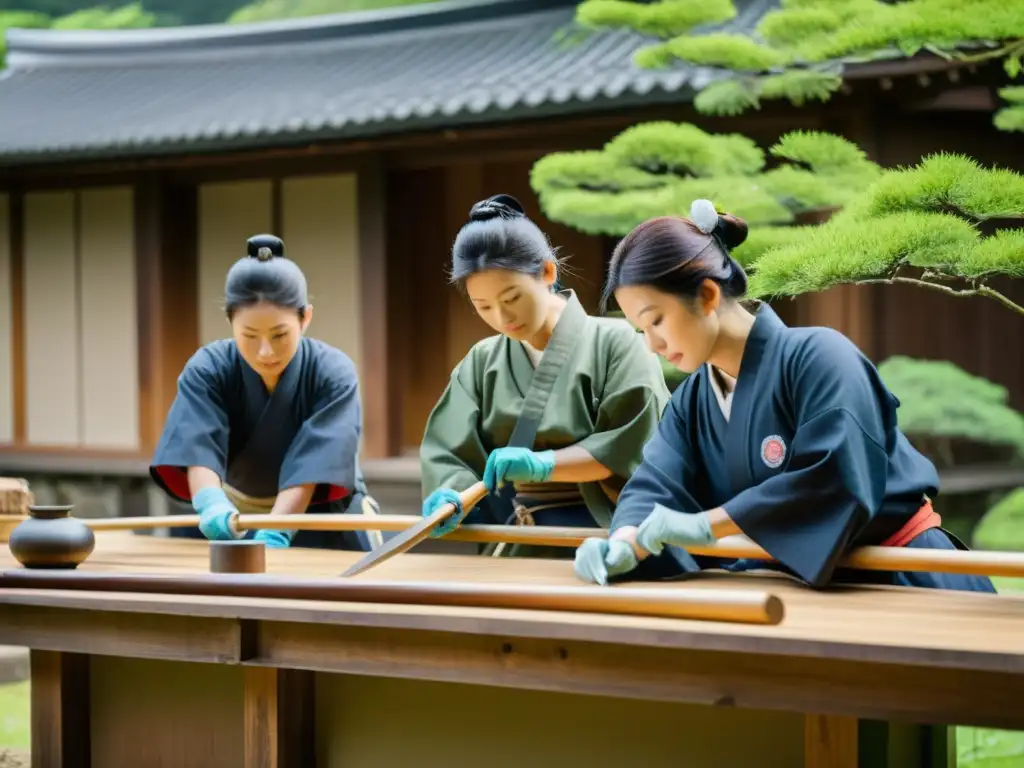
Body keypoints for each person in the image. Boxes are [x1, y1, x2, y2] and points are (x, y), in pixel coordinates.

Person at [573, 199, 997, 593]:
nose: (652, 345)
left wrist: (709, 524)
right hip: (804, 592)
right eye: (640, 331)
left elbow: (834, 478)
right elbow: (655, 483)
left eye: (656, 321)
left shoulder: (821, 356)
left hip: (901, 576)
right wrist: (627, 539)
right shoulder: (691, 401)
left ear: (706, 295)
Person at [418, 194, 672, 558]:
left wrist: (544, 466)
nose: (502, 318)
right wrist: (450, 493)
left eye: (512, 297)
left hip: (609, 532)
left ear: (548, 272)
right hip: (521, 533)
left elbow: (632, 445)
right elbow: (448, 453)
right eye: (484, 307)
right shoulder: (481, 362)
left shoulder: (618, 344)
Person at [149, 234, 382, 552]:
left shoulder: (333, 372)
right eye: (249, 335)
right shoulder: (208, 367)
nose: (265, 352)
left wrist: (278, 528)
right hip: (229, 513)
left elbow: (316, 462)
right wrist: (210, 503)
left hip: (313, 510)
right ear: (230, 321)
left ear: (305, 318)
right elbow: (196, 445)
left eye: (279, 335)